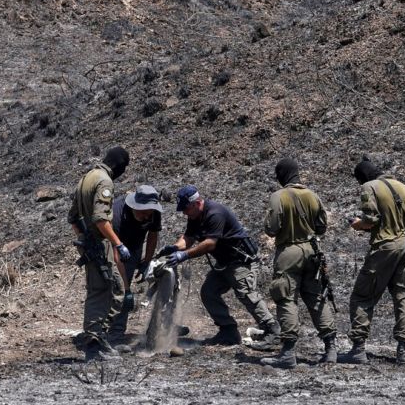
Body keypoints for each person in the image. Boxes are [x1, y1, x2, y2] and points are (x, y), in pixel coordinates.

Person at [162, 185, 279, 346]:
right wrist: (176, 247)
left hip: (241, 261)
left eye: (186, 208)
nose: (184, 213)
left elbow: (210, 243)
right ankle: (228, 330)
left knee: (247, 294)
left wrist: (184, 255)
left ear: (196, 203)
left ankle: (272, 330)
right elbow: (188, 237)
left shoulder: (214, 213)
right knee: (209, 292)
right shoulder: (194, 215)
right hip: (224, 263)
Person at [260, 158, 338, 369]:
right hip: (313, 251)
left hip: (289, 252)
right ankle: (331, 348)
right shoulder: (313, 195)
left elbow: (271, 228)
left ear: (282, 175)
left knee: (286, 298)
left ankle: (288, 352)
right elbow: (322, 227)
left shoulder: (278, 197)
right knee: (316, 298)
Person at [341, 160, 405, 365]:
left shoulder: (369, 187)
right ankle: (403, 350)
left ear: (363, 177)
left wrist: (358, 225)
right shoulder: (404, 188)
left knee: (362, 296)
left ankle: (358, 348)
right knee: (402, 296)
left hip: (383, 247)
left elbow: (371, 219)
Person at [68, 146, 130, 361]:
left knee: (107, 287)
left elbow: (73, 217)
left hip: (89, 242)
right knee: (103, 290)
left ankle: (100, 338)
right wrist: (118, 244)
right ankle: (94, 343)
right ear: (118, 165)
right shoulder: (104, 181)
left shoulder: (86, 178)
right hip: (98, 243)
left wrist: (83, 239)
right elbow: (100, 219)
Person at [108, 184, 163, 343]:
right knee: (118, 290)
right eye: (144, 213)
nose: (147, 217)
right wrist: (126, 289)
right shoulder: (117, 214)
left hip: (135, 247)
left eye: (149, 213)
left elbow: (153, 236)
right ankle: (113, 333)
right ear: (134, 206)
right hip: (114, 247)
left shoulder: (153, 213)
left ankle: (161, 326)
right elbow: (116, 254)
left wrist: (147, 261)